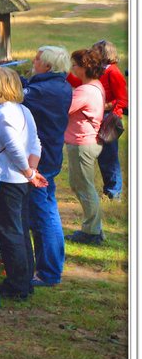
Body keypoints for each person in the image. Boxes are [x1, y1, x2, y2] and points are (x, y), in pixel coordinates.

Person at [0, 66, 46, 300]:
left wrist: (29, 171)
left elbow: (13, 148)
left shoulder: (2, 113)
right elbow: (35, 144)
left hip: (8, 178)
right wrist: (32, 170)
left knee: (9, 232)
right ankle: (24, 278)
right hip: (21, 178)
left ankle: (17, 284)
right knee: (20, 231)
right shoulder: (23, 110)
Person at [20, 45, 72, 287]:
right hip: (50, 157)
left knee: (44, 216)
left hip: (42, 161)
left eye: (38, 59)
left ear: (48, 66)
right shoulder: (58, 85)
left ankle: (49, 272)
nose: (34, 60)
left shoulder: (42, 91)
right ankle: (48, 267)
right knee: (47, 211)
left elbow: (18, 94)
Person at [65, 47, 107, 245]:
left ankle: (92, 232)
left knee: (85, 188)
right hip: (85, 141)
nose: (72, 68)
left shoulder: (84, 91)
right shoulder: (95, 86)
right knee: (80, 185)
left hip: (83, 143)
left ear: (84, 67)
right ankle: (93, 229)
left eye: (74, 65)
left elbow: (63, 109)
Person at [86, 40, 126, 201]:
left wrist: (104, 105)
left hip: (109, 119)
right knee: (100, 155)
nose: (91, 52)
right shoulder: (98, 70)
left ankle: (114, 192)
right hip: (97, 116)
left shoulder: (113, 72)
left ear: (103, 53)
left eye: (94, 51)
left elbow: (123, 99)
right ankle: (108, 190)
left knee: (109, 156)